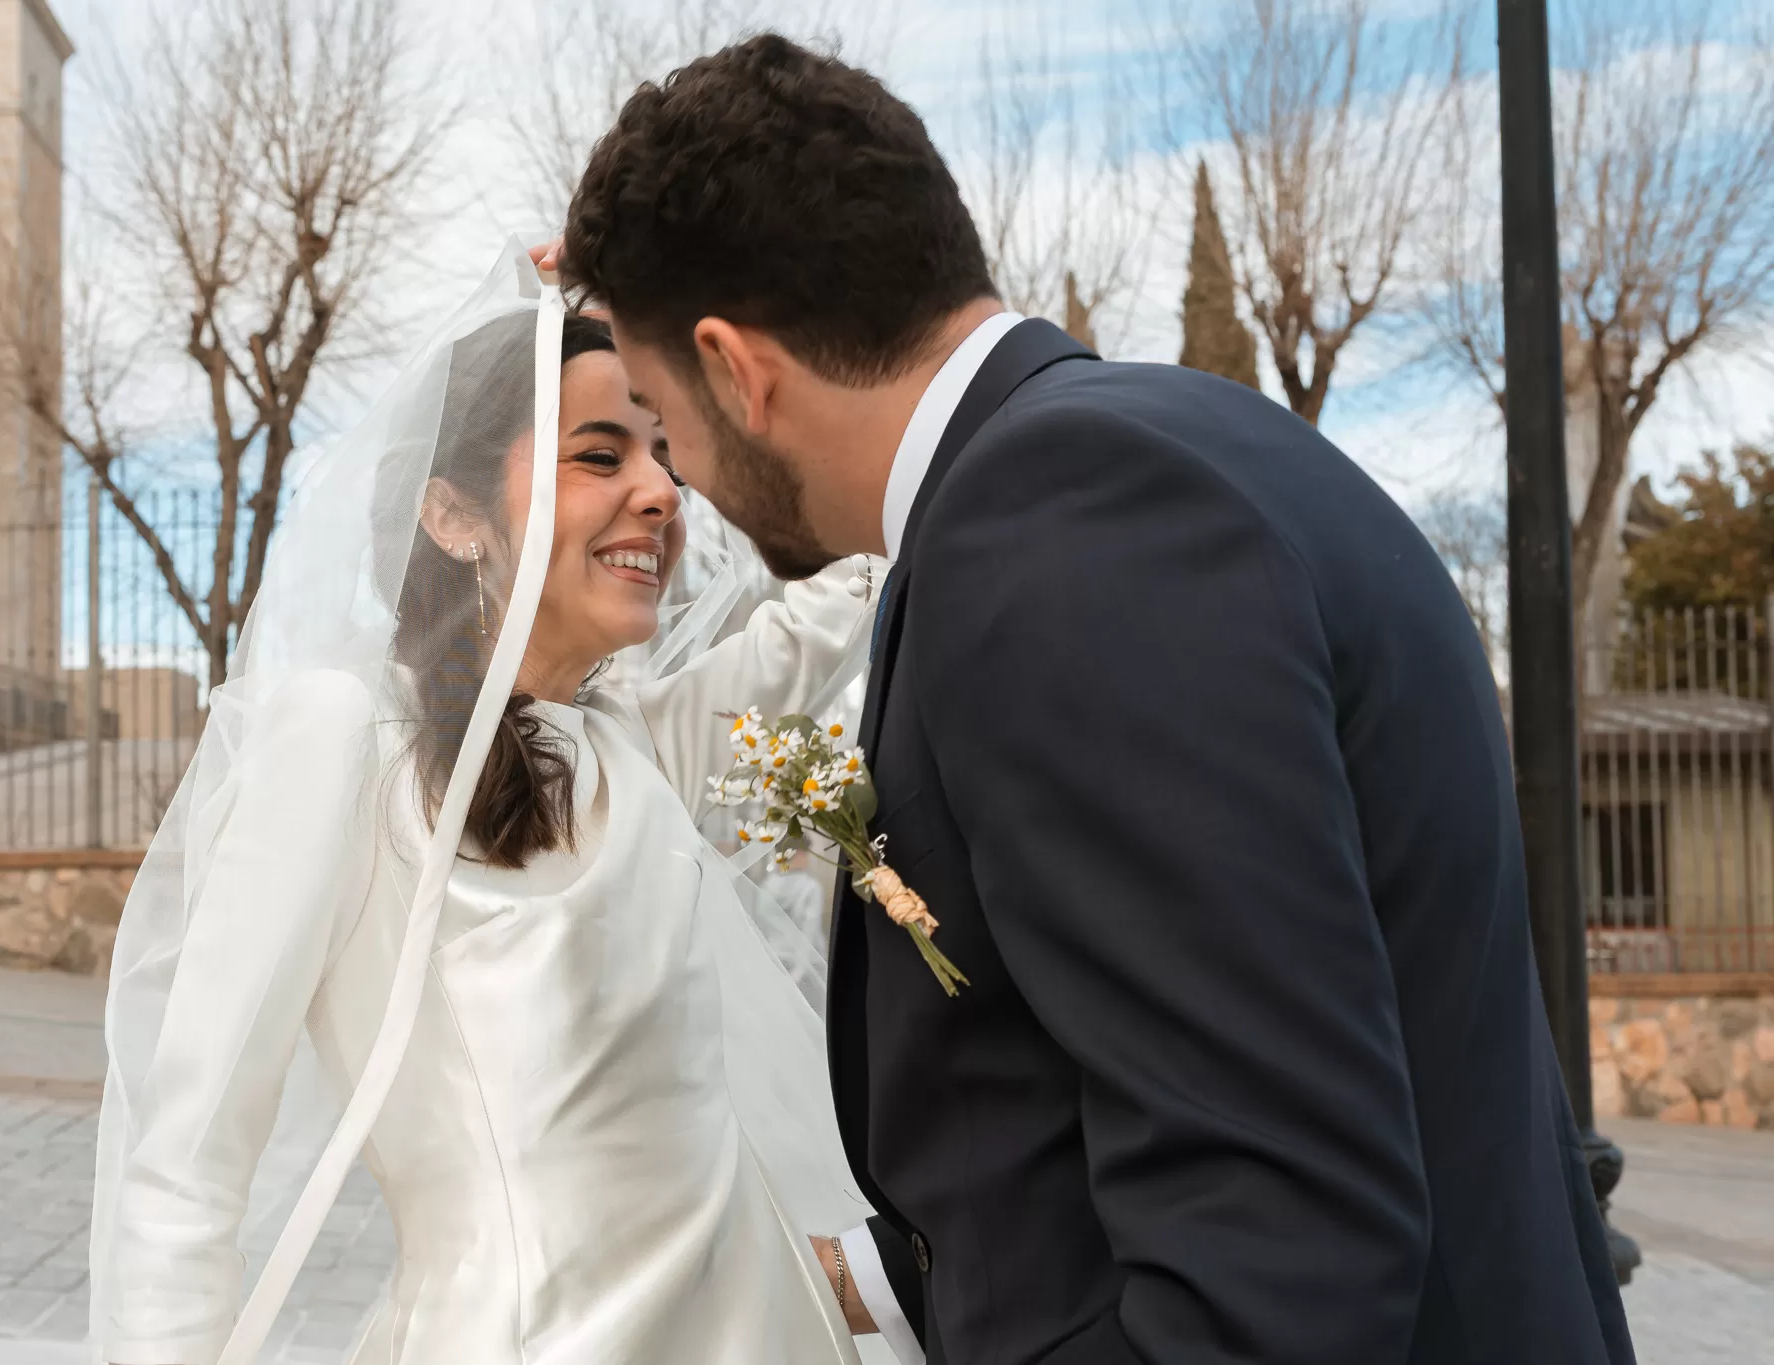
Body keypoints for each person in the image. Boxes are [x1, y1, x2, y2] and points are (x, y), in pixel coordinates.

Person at [556, 33, 1638, 1365]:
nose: (680, 480)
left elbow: (1268, 1255)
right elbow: (1120, 1077)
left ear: (737, 368)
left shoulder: (1062, 529)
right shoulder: (1155, 455)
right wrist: (868, 1278)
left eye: (662, 417)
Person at [89, 263, 887, 1364]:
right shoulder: (347, 742)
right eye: (600, 454)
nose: (660, 491)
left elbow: (866, 559)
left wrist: (694, 300)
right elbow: (188, 1165)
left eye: (664, 453)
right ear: (453, 514)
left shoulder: (638, 745)